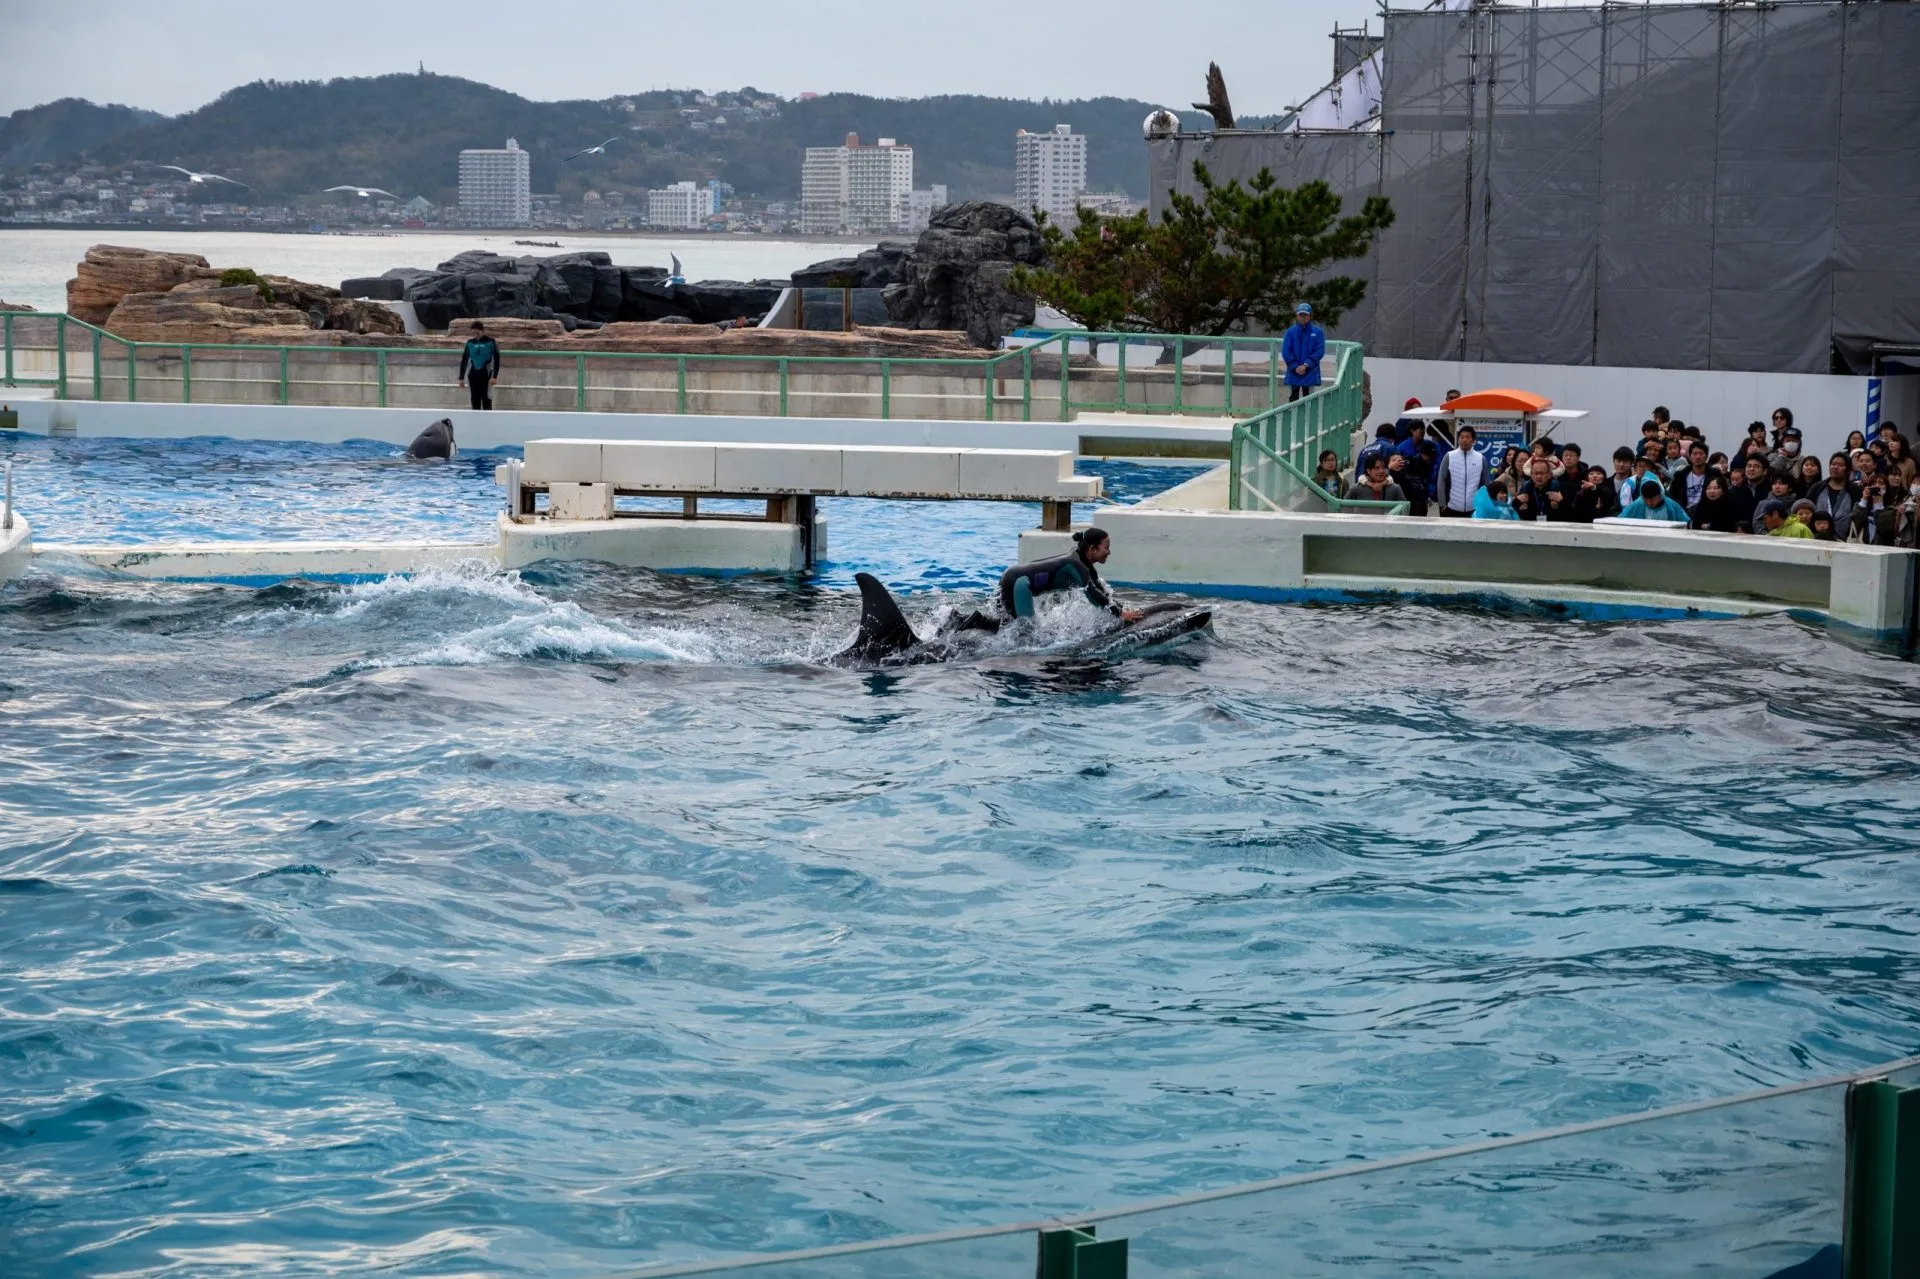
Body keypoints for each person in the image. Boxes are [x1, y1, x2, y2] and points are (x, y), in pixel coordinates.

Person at [996, 527, 1142, 622]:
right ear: (1093, 549)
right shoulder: (1075, 565)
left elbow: (1102, 594)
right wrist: (1121, 615)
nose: (1109, 552)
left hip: (1014, 577)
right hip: (1018, 582)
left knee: (1006, 623)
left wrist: (1123, 610)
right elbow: (1092, 595)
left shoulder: (1086, 566)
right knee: (1024, 629)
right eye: (1107, 548)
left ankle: (981, 623)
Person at [1436, 425, 1488, 518]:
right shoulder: (1449, 456)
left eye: (1467, 437)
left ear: (1473, 440)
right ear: (1458, 439)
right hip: (1451, 507)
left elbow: (1484, 484)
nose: (1464, 440)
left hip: (1473, 509)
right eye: (1462, 437)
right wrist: (1442, 505)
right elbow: (1441, 481)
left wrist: (1482, 506)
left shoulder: (1480, 458)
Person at [1281, 303, 1325, 402]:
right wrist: (1295, 366)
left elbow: (1320, 351)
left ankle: (1309, 418)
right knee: (1293, 398)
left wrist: (1306, 365)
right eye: (1300, 315)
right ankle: (1293, 417)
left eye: (1305, 315)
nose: (1303, 317)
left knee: (1309, 399)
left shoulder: (1318, 332)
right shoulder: (1290, 332)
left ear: (1310, 316)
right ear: (1297, 316)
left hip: (1310, 371)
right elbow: (1286, 351)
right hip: (1294, 371)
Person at [1809, 452, 1858, 534]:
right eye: (1833, 464)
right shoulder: (1817, 488)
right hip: (1817, 538)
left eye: (1840, 465)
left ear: (1848, 470)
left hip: (1845, 540)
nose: (1835, 467)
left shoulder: (1855, 491)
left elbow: (1858, 516)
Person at [458, 321, 501, 411]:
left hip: (486, 375)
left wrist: (495, 376)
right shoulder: (470, 343)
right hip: (473, 375)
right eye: (473, 333)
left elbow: (497, 359)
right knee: (474, 400)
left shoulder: (491, 342)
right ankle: (475, 423)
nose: (475, 335)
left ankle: (488, 423)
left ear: (482, 331)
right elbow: (464, 360)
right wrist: (461, 378)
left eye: (477, 333)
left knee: (486, 399)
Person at [1726, 453, 1768, 533]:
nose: (1751, 469)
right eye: (1749, 466)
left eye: (1756, 466)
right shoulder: (1734, 491)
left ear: (1765, 471)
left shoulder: (1770, 491)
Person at [1619, 477, 1689, 524]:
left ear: (1659, 495)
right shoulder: (1638, 504)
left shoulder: (1671, 506)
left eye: (1652, 499)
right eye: (1645, 499)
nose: (1649, 503)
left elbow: (1686, 522)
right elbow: (1621, 519)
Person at [1667, 440, 1713, 508]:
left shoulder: (1714, 475)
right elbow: (1672, 497)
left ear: (1706, 457)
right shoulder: (1680, 475)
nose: (1698, 457)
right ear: (1689, 456)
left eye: (1701, 454)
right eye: (1694, 454)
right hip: (1684, 514)